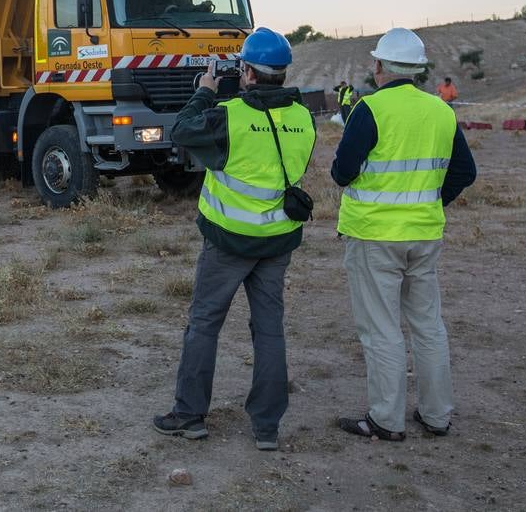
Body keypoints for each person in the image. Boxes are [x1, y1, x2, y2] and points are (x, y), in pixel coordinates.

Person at [153, 27, 317, 451]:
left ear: (246, 72)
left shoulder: (230, 115)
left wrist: (206, 90)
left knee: (204, 325)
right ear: (281, 73)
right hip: (278, 242)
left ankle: (189, 416)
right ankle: (266, 428)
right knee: (269, 332)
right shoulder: (303, 117)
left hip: (227, 243)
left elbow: (184, 132)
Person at [332, 28, 476, 441]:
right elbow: (465, 173)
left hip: (374, 235)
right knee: (428, 326)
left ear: (379, 66)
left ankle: (385, 420)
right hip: (424, 235)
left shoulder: (370, 109)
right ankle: (436, 416)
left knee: (382, 329)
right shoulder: (441, 111)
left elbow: (343, 171)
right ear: (418, 68)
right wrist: (428, 202)